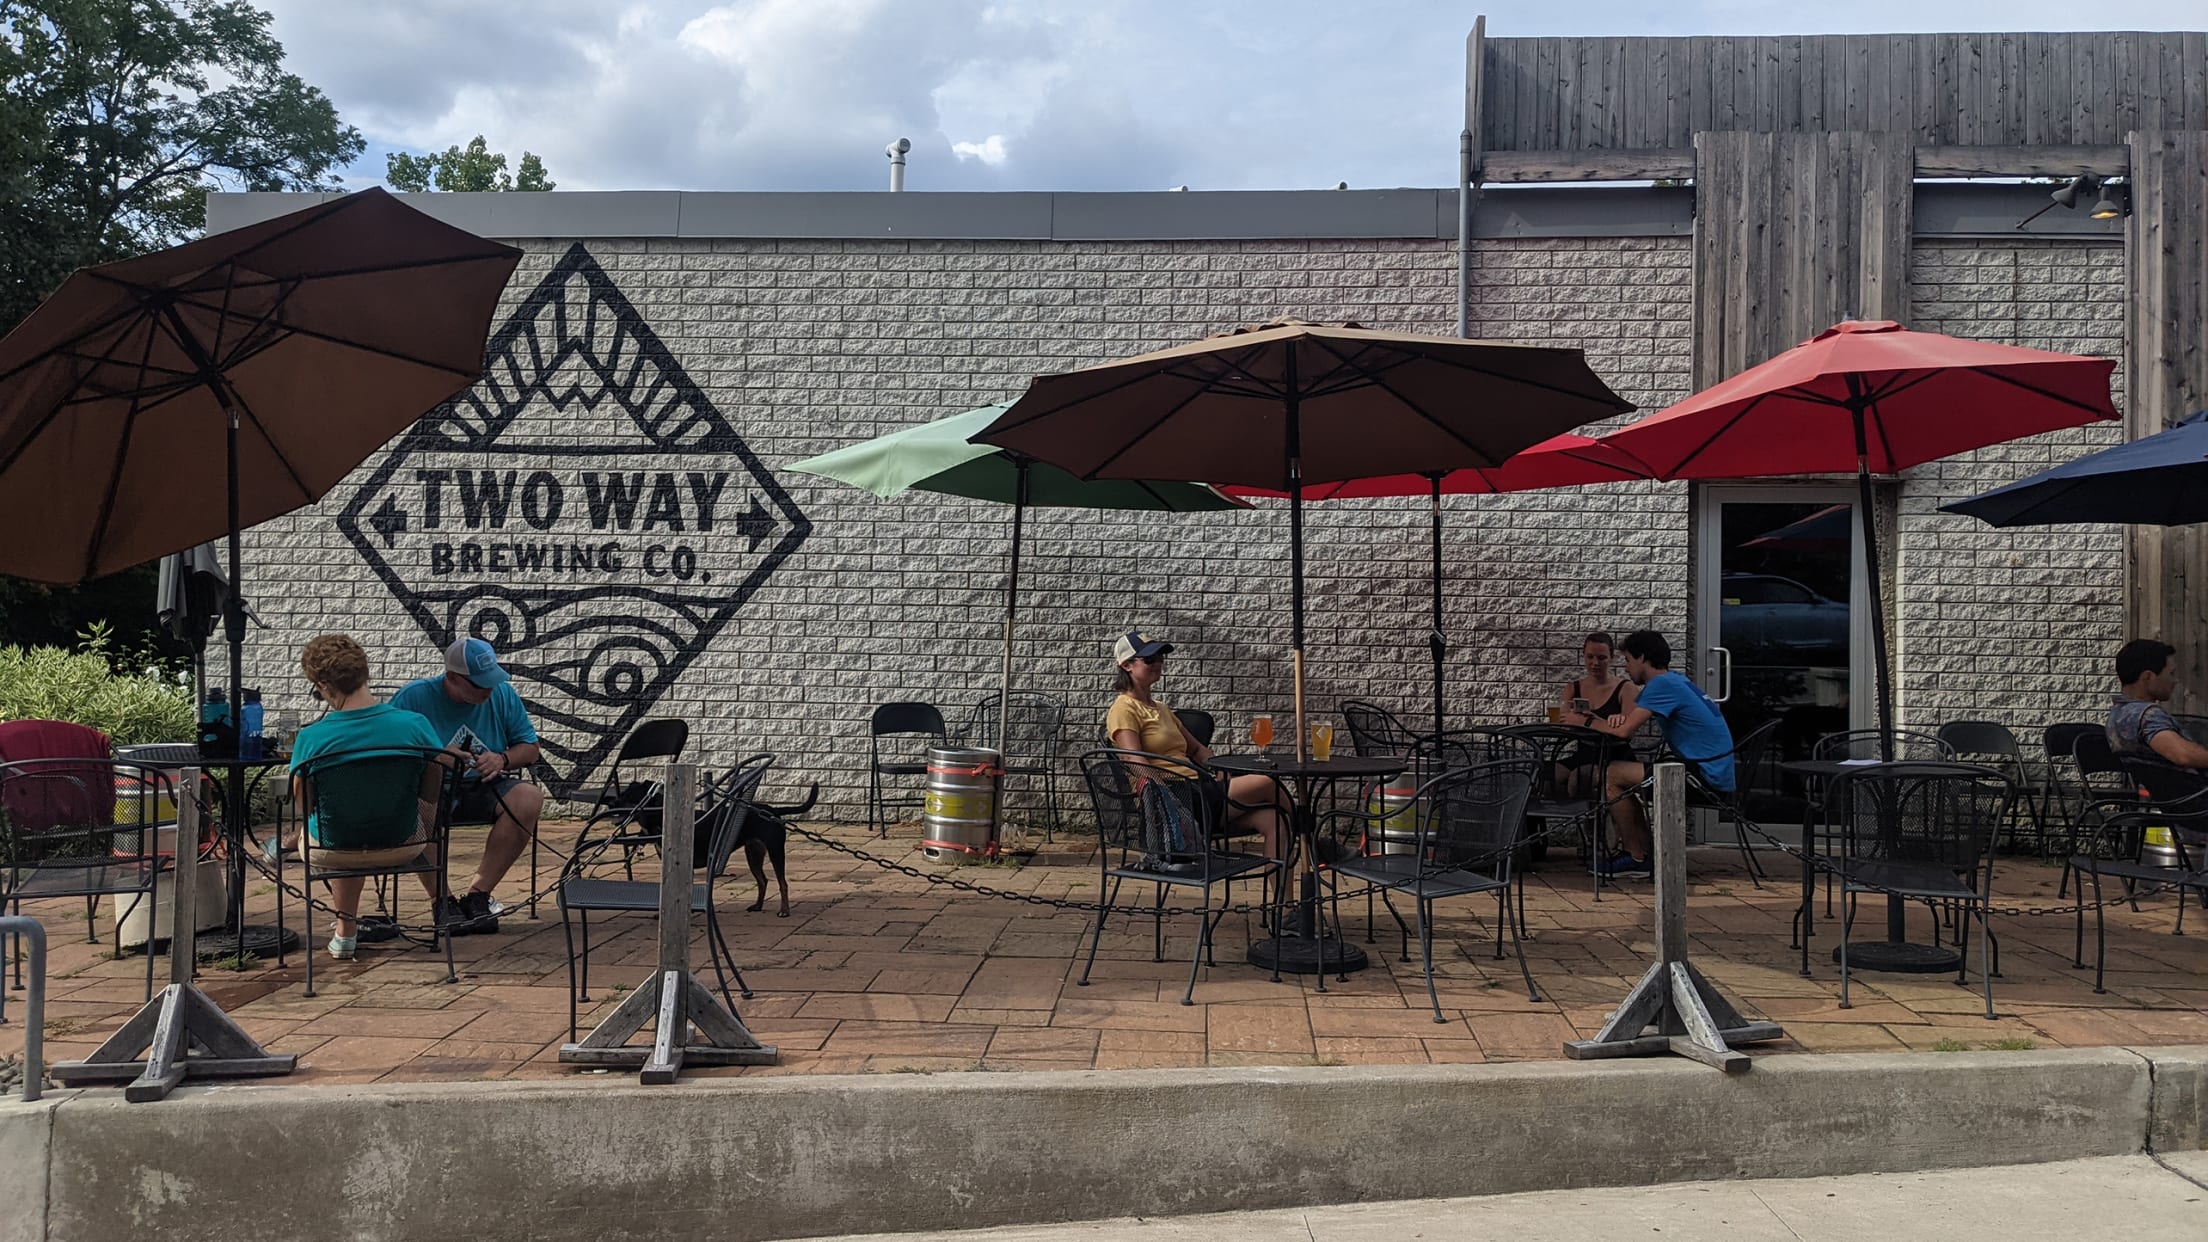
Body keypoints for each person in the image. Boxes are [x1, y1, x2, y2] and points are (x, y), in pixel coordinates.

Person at [287, 635, 457, 959]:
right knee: (363, 820)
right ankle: (349, 930)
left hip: (332, 849)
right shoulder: (414, 725)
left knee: (336, 827)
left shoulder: (311, 739)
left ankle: (345, 931)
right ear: (365, 673)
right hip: (403, 843)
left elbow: (306, 806)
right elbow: (431, 790)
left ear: (323, 684)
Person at [390, 638, 544, 933]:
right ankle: (441, 900)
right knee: (414, 808)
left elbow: (530, 748)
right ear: (452, 678)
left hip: (483, 784)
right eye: (478, 684)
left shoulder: (502, 694)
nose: (488, 689)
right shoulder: (412, 697)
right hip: (429, 787)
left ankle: (479, 895)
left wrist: (502, 758)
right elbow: (390, 751)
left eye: (492, 681)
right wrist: (436, 758)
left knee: (528, 798)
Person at [1104, 629, 1287, 860]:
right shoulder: (1123, 709)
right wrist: (1168, 802)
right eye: (1149, 659)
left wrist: (1219, 770)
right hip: (1176, 796)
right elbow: (1134, 761)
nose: (1158, 664)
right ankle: (1312, 836)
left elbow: (1198, 750)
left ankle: (1285, 897)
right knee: (1265, 782)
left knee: (1275, 821)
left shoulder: (1161, 708)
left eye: (1161, 658)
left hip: (1198, 790)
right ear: (1126, 665)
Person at [1583, 630, 1737, 879]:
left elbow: (1623, 732)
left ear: (1642, 658)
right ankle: (1642, 854)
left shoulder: (1661, 685)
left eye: (1628, 661)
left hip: (1704, 778)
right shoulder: (1674, 681)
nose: (1626, 668)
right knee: (1623, 774)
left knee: (1611, 774)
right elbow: (1629, 719)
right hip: (1711, 771)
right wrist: (1618, 718)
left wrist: (1585, 721)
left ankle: (1637, 857)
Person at [1556, 630, 1637, 794]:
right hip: (1583, 753)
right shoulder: (1573, 688)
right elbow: (1561, 724)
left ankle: (1588, 820)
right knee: (1542, 775)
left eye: (1601, 658)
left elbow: (1628, 733)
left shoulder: (1625, 688)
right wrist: (1566, 721)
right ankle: (1544, 819)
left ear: (1611, 658)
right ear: (1583, 656)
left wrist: (1593, 721)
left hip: (1613, 755)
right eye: (1590, 657)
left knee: (1579, 778)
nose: (1595, 663)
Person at [2107, 638, 2208, 768]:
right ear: (2148, 677)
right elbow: (2183, 755)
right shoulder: (2148, 716)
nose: (2175, 680)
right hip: (2192, 787)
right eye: (2171, 673)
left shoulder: (2117, 714)